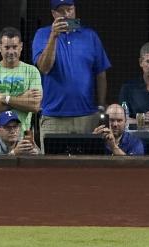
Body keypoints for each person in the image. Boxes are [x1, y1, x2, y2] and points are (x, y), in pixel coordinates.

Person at [32, 0, 111, 141]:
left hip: (87, 116)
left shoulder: (90, 35)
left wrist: (100, 104)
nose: (67, 14)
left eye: (70, 9)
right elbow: (44, 67)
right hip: (54, 117)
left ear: (75, 9)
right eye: (61, 11)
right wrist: (53, 36)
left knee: (87, 162)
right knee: (52, 163)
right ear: (53, 14)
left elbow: (100, 73)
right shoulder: (42, 34)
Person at [0, 27, 43, 141]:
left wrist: (4, 98)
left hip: (21, 136)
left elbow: (34, 106)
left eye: (15, 47)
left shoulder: (32, 71)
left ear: (21, 47)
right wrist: (22, 99)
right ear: (0, 48)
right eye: (7, 47)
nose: (11, 52)